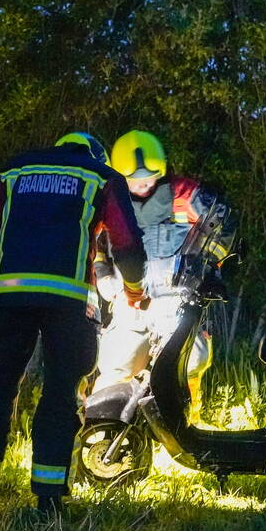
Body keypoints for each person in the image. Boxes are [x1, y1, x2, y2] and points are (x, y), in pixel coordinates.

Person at [0, 132, 147, 520]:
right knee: (61, 395)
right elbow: (126, 243)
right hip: (68, 304)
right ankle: (48, 498)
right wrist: (133, 290)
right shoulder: (101, 176)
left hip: (9, 299)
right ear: (95, 153)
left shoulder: (14, 170)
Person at [93, 130, 231, 420]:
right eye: (134, 180)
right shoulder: (109, 202)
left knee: (190, 359)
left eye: (150, 177)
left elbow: (222, 222)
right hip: (129, 302)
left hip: (177, 299)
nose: (143, 185)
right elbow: (97, 245)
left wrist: (205, 264)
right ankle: (101, 427)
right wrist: (102, 274)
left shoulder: (184, 194)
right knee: (116, 365)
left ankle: (186, 422)